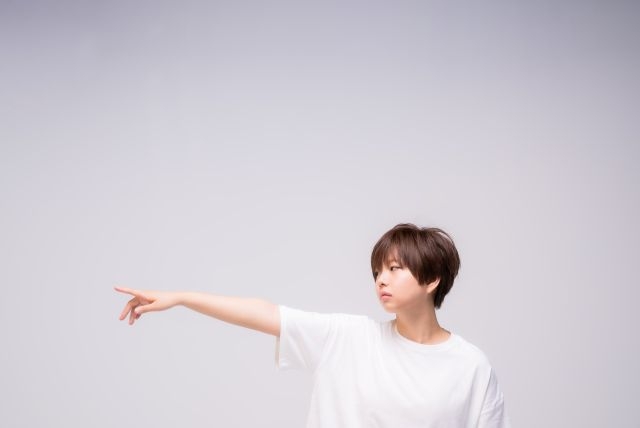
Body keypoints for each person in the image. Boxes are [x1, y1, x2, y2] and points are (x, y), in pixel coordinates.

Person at [116, 223, 511, 427]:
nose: (381, 280)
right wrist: (182, 298)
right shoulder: (348, 339)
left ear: (432, 279)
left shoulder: (470, 367)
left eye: (394, 268)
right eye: (377, 271)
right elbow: (266, 313)